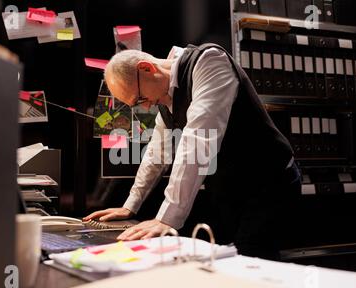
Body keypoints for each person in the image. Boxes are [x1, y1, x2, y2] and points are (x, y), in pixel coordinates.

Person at [83, 43, 301, 260]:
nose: (146, 107)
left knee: (251, 262)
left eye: (139, 99)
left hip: (269, 181)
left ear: (147, 68)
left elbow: (197, 143)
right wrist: (130, 206)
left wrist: (166, 220)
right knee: (226, 262)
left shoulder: (209, 62)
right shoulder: (165, 96)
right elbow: (156, 154)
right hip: (233, 187)